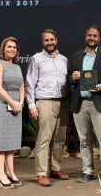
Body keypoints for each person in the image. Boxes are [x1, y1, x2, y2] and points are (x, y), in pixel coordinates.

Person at [68, 24, 101, 185]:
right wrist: (73, 77)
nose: (92, 38)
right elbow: (69, 80)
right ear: (86, 37)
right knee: (84, 141)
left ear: (99, 38)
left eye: (95, 36)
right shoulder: (76, 56)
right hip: (80, 104)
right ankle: (87, 171)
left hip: (100, 102)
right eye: (89, 35)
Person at [25, 29, 69, 187]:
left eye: (52, 39)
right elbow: (30, 84)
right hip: (44, 102)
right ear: (42, 42)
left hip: (63, 102)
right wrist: (31, 105)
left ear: (56, 40)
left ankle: (55, 169)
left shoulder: (64, 59)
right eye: (46, 40)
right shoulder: (36, 59)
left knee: (60, 139)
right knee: (44, 139)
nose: (49, 42)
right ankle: (41, 173)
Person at [0, 37, 24, 189]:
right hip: (2, 106)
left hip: (16, 106)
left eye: (14, 47)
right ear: (3, 49)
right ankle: (1, 175)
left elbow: (22, 87)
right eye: (9, 47)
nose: (11, 49)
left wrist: (21, 103)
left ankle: (11, 173)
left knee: (11, 144)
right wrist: (13, 103)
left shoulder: (17, 67)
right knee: (1, 143)